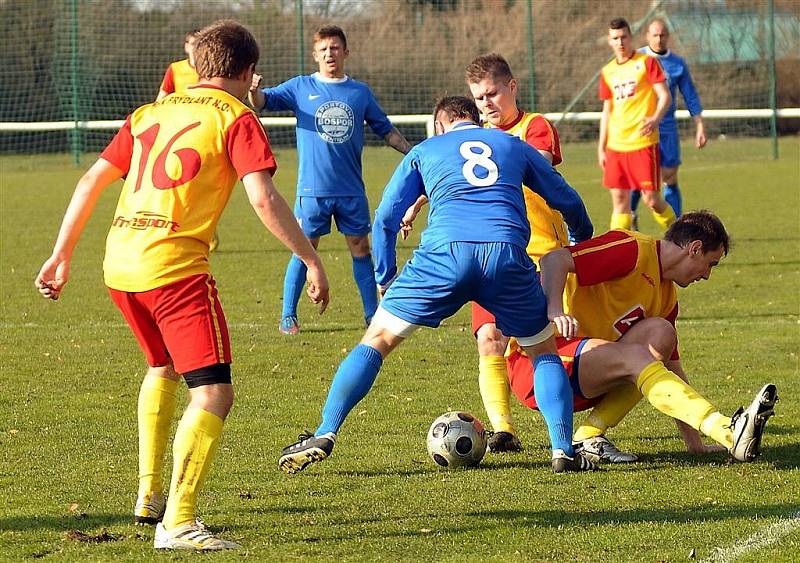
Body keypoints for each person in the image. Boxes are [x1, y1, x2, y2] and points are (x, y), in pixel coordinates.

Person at [35, 20, 330, 551]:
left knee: (163, 366)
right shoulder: (237, 117)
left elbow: (90, 180)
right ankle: (178, 521)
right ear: (244, 72)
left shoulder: (151, 111)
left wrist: (61, 254)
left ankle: (150, 497)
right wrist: (309, 258)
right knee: (214, 392)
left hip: (119, 264)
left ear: (197, 67)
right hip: (172, 269)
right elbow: (263, 198)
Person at [278, 96, 597, 476]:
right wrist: (581, 237)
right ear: (477, 121)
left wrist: (385, 276)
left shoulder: (426, 149)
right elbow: (565, 197)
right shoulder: (512, 144)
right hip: (506, 254)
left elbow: (384, 218)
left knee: (377, 340)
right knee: (542, 352)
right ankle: (562, 450)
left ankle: (325, 433)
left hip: (444, 255)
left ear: (439, 125)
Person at [399, 54, 577, 454]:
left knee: (550, 347)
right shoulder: (475, 140)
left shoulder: (535, 128)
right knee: (489, 338)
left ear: (512, 87)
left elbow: (539, 168)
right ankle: (503, 429)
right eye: (479, 99)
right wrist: (415, 205)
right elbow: (457, 174)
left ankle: (577, 433)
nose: (487, 105)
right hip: (491, 253)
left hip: (542, 254)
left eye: (492, 94)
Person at [503, 211, 777, 464]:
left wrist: (695, 445)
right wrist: (554, 310)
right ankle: (729, 431)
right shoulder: (631, 249)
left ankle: (589, 434)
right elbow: (554, 259)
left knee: (661, 335)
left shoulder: (667, 296)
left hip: (586, 372)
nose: (706, 275)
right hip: (539, 365)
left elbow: (670, 370)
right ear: (694, 249)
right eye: (710, 264)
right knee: (639, 356)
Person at [248, 25, 411, 335]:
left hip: (351, 189)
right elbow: (261, 102)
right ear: (315, 55)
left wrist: (414, 153)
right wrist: (254, 90)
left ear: (345, 52)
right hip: (313, 191)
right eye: (323, 50)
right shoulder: (300, 87)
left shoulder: (359, 92)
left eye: (334, 48)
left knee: (361, 248)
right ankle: (288, 316)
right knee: (303, 248)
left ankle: (370, 315)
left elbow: (385, 130)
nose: (329, 54)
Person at [598, 17, 675, 232]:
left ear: (631, 38)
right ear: (609, 41)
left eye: (623, 37)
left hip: (642, 143)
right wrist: (601, 147)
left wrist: (655, 118)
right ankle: (619, 251)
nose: (620, 42)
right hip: (616, 147)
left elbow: (665, 96)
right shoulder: (607, 72)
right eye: (615, 38)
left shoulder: (646, 63)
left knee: (651, 199)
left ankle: (678, 235)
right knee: (619, 201)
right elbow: (607, 111)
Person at [630, 18, 707, 224]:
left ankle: (677, 226)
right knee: (640, 175)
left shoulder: (678, 64)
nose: (659, 38)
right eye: (655, 35)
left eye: (663, 35)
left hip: (667, 129)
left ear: (668, 37)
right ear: (647, 36)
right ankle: (630, 215)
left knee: (670, 176)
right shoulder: (637, 59)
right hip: (642, 128)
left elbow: (690, 95)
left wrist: (699, 125)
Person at [156, 29, 221, 253]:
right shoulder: (175, 69)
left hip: (206, 134)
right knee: (179, 185)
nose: (194, 47)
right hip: (179, 134)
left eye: (198, 43)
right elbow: (161, 99)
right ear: (185, 46)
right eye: (191, 43)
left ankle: (205, 228)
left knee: (201, 186)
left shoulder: (212, 72)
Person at [156, 29, 200, 101]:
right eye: (193, 44)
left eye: (200, 44)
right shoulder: (175, 68)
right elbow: (161, 98)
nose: (196, 48)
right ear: (187, 47)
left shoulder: (212, 70)